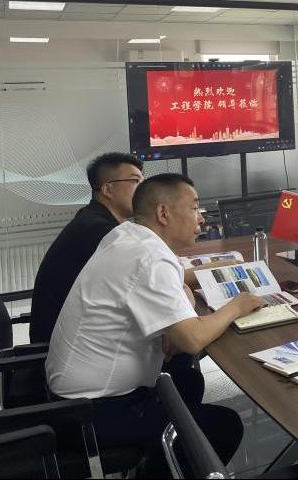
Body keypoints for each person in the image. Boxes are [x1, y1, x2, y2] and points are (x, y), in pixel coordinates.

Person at [46, 173, 258, 475]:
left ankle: (159, 458)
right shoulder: (150, 256)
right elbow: (192, 339)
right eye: (194, 208)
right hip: (91, 413)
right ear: (163, 213)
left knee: (187, 378)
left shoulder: (126, 234)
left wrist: (175, 322)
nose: (201, 218)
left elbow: (172, 287)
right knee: (223, 426)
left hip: (70, 397)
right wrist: (238, 305)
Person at [29, 153, 145, 344]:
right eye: (135, 181)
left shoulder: (92, 217)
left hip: (77, 333)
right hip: (70, 346)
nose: (144, 189)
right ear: (108, 189)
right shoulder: (99, 231)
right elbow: (147, 280)